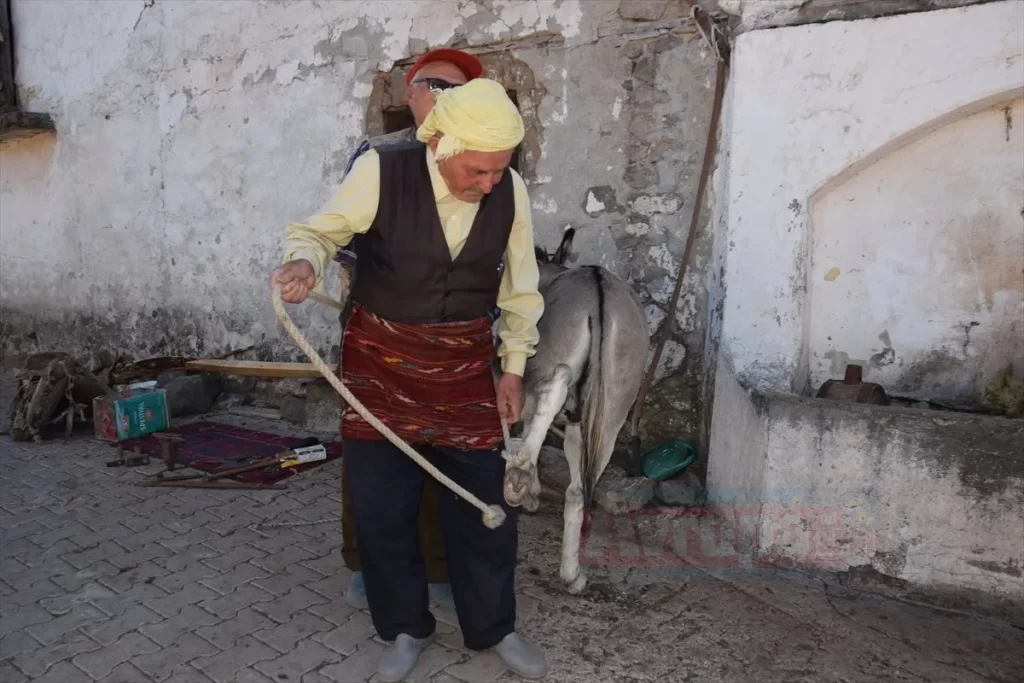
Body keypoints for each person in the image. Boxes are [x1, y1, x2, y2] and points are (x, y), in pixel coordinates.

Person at [271, 78, 547, 681]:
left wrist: (516, 367)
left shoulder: (511, 192)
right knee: (382, 507)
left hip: (465, 368)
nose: (489, 184)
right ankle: (403, 626)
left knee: (487, 504)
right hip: (380, 367)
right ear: (442, 144)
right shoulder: (382, 171)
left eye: (499, 171)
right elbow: (320, 231)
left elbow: (520, 288)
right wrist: (303, 261)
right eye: (478, 171)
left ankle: (493, 626)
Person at [333, 47, 485, 614]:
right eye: (435, 85)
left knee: (445, 453)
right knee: (374, 454)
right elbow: (345, 241)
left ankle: (442, 567)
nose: (443, 99)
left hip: (456, 342)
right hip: (380, 331)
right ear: (412, 94)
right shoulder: (378, 158)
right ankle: (368, 566)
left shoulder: (486, 167)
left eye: (458, 91)